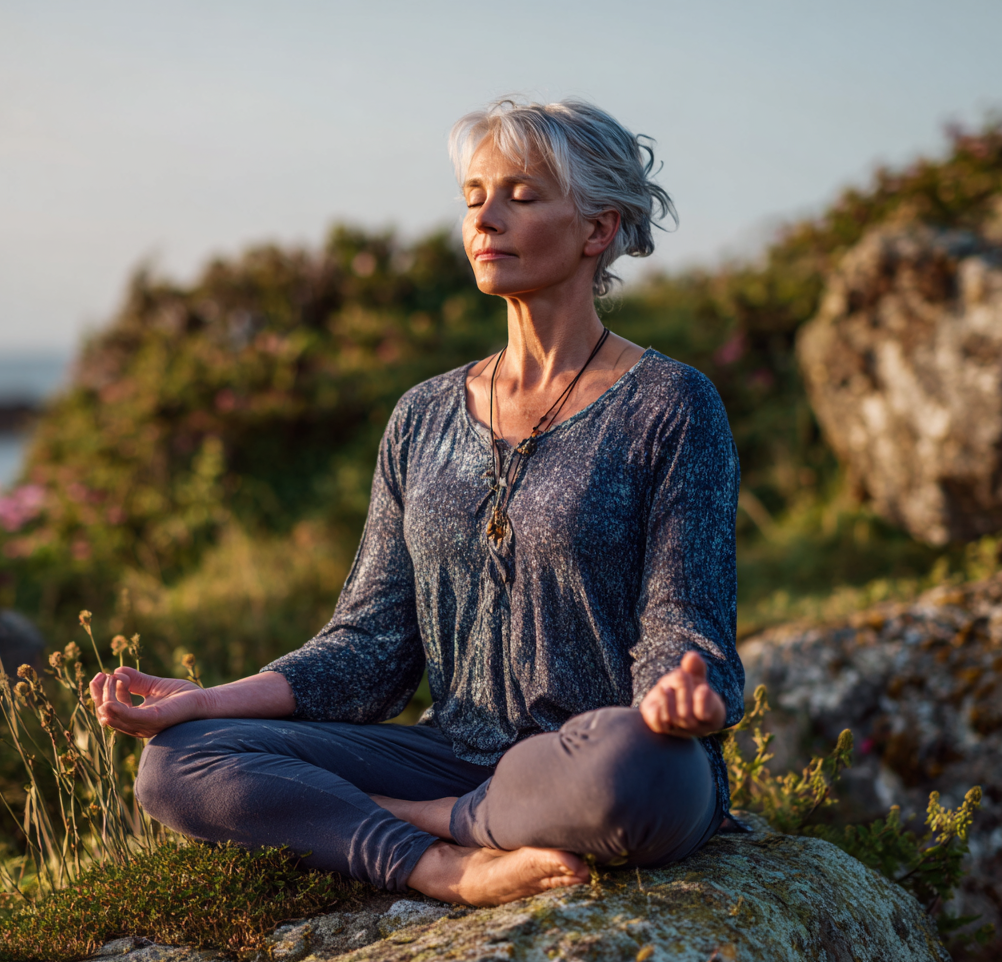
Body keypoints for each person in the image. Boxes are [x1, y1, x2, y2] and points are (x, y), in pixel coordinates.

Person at [91, 98, 745, 908]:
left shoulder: (672, 403)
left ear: (598, 229)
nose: (487, 219)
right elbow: (369, 648)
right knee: (179, 761)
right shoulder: (423, 415)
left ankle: (422, 819)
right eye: (474, 197)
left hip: (594, 752)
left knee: (632, 772)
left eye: (521, 196)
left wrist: (678, 699)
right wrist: (207, 701)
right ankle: (443, 863)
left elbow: (688, 622)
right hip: (450, 750)